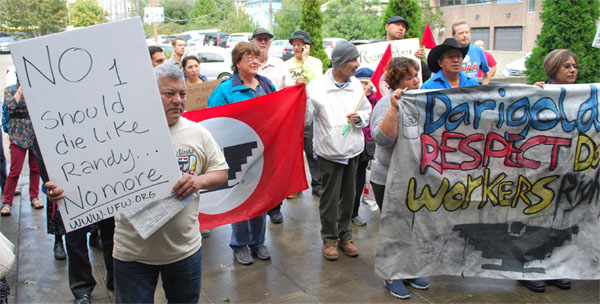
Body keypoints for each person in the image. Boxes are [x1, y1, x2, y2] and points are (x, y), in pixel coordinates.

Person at [48, 63, 229, 303]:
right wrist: (63, 192)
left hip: (185, 252)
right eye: (169, 93)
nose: (178, 100)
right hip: (131, 256)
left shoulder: (198, 133)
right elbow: (87, 178)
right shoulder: (120, 134)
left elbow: (221, 173)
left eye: (182, 93)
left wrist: (198, 181)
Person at [208, 42, 277, 266]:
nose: (255, 61)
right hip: (237, 153)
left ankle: (258, 241)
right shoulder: (224, 91)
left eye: (257, 57)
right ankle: (239, 244)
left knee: (260, 198)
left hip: (263, 152)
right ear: (237, 62)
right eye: (249, 58)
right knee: (240, 199)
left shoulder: (267, 84)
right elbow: (215, 123)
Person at [370, 57, 430, 299]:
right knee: (394, 226)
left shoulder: (424, 100)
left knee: (412, 226)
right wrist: (394, 108)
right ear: (397, 82)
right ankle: (392, 273)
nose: (416, 80)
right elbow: (383, 139)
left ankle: (409, 269)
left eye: (417, 75)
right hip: (387, 177)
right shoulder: (386, 103)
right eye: (409, 77)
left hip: (414, 177)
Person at [305, 40, 371, 260]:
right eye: (353, 60)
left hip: (352, 150)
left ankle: (346, 236)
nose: (356, 64)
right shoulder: (316, 87)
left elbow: (366, 110)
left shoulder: (355, 86)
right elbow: (306, 120)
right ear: (340, 62)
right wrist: (300, 98)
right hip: (329, 152)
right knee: (330, 199)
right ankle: (329, 239)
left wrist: (359, 118)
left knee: (349, 196)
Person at [521, 49, 579, 293]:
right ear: (553, 68)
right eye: (566, 66)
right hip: (540, 171)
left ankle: (556, 267)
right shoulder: (539, 94)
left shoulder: (583, 95)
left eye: (574, 65)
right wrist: (532, 94)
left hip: (570, 170)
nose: (572, 70)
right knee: (536, 219)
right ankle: (529, 268)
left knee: (562, 219)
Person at [251, 27, 294, 224]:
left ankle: (275, 207)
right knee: (255, 168)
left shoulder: (279, 64)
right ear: (252, 41)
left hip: (276, 124)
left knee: (275, 168)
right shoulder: (247, 63)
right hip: (252, 127)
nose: (263, 42)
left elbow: (289, 90)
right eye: (259, 39)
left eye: (266, 40)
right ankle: (256, 206)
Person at [285, 30, 324, 199]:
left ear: (307, 46)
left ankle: (317, 184)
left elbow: (316, 83)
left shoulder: (316, 63)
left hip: (310, 111)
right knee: (293, 152)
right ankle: (295, 186)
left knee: (311, 150)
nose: (296, 47)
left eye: (300, 43)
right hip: (293, 112)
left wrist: (305, 61)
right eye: (294, 44)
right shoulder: (286, 64)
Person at [1, 80, 42, 216]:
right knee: (15, 169)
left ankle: (34, 196)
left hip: (33, 131)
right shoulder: (10, 90)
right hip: (17, 132)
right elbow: (11, 106)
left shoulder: (34, 88)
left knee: (35, 168)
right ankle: (7, 201)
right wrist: (21, 89)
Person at [351, 68, 376, 227]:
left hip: (368, 146)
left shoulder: (376, 100)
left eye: (368, 82)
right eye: (362, 83)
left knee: (359, 180)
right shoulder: (351, 98)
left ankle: (354, 213)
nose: (365, 86)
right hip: (352, 145)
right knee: (348, 182)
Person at [373, 16, 431, 83]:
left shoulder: (410, 50)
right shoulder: (373, 48)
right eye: (397, 25)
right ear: (387, 27)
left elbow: (425, 76)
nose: (401, 28)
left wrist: (419, 61)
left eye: (403, 27)